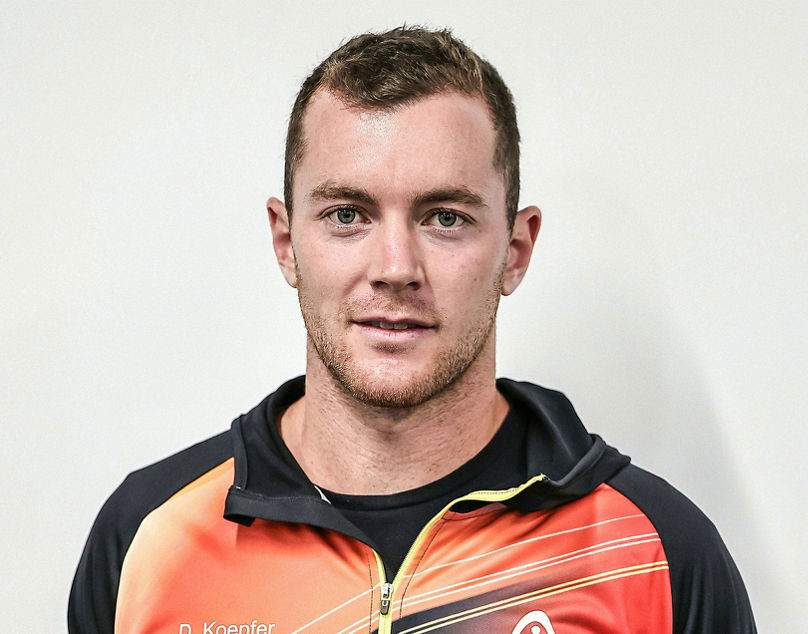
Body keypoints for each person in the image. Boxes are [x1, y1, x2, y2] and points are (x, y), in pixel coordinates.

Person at [69, 26, 756, 633]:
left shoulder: (658, 554)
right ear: (285, 243)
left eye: (445, 217)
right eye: (347, 214)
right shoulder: (147, 541)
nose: (396, 268)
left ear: (515, 250)